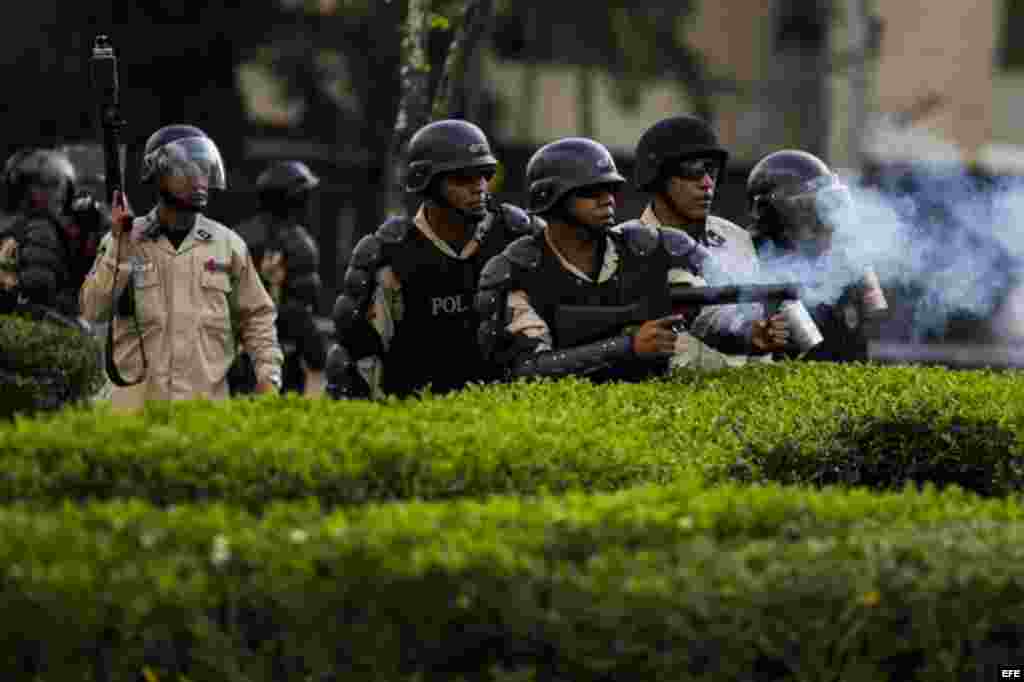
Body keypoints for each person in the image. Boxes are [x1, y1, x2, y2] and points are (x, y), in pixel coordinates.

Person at [475, 137, 788, 383]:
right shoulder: (518, 269)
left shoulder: (650, 250)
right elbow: (526, 370)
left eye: (610, 189)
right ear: (551, 198)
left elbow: (707, 319)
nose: (607, 199)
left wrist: (750, 336)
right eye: (591, 192)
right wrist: (629, 347)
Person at [325, 118, 538, 399]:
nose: (479, 187)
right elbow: (356, 360)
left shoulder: (516, 236)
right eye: (463, 177)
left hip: (503, 418)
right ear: (426, 182)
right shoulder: (390, 256)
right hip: (415, 421)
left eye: (484, 174)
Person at [80, 124, 282, 411]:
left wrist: (268, 377)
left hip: (205, 419)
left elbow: (258, 318)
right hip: (134, 420)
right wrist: (120, 249)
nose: (198, 179)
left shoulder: (228, 246)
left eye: (203, 168)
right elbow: (92, 310)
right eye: (186, 169)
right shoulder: (122, 240)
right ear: (157, 173)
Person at [632, 114, 783, 370]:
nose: (707, 183)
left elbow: (760, 347)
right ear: (657, 176)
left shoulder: (736, 239)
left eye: (711, 169)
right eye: (692, 170)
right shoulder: (627, 246)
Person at [746, 149, 889, 362]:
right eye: (818, 208)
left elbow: (863, 341)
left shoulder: (843, 260)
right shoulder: (747, 260)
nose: (830, 219)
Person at [232, 160, 327, 397]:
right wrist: (317, 355)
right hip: (285, 358)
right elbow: (300, 310)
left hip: (241, 356)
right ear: (293, 200)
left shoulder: (238, 237)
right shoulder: (299, 243)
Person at [0, 148, 81, 318]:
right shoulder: (41, 228)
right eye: (47, 184)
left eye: (57, 184)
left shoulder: (13, 226)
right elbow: (38, 288)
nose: (58, 192)